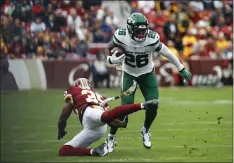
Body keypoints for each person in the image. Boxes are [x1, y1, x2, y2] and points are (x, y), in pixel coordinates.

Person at [106, 13, 192, 152]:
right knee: (124, 109)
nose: (141, 34)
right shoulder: (121, 36)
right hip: (129, 73)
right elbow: (109, 48)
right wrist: (110, 59)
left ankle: (145, 130)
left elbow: (167, 53)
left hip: (147, 73)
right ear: (130, 29)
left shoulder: (151, 38)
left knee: (153, 104)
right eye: (138, 31)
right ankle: (111, 137)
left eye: (143, 30)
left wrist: (180, 68)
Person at [57, 78, 158, 156]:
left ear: (76, 86)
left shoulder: (74, 90)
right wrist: (120, 123)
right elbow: (110, 120)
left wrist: (61, 127)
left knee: (105, 116)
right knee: (64, 150)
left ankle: (143, 105)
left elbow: (67, 109)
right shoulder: (101, 97)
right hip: (97, 127)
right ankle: (94, 152)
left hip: (89, 111)